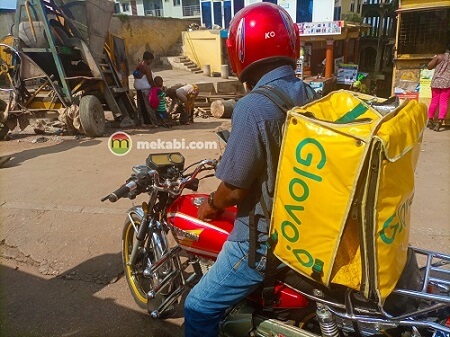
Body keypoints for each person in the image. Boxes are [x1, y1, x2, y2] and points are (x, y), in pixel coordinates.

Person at [183, 3, 307, 336]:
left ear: (241, 49)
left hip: (262, 241)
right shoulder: (310, 94)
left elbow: (235, 190)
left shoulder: (253, 107)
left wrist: (209, 204)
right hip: (303, 230)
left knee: (198, 307)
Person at [427, 45, 450, 132]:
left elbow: (429, 66)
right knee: (443, 102)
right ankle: (439, 122)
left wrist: (434, 59)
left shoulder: (439, 56)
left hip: (436, 82)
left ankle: (430, 119)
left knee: (434, 101)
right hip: (447, 83)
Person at [133, 51, 159, 127]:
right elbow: (150, 80)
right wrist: (156, 87)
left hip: (139, 89)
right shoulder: (146, 68)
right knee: (149, 106)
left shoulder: (139, 65)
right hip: (145, 89)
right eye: (151, 60)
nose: (151, 62)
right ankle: (152, 122)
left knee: (141, 106)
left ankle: (143, 122)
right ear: (148, 59)